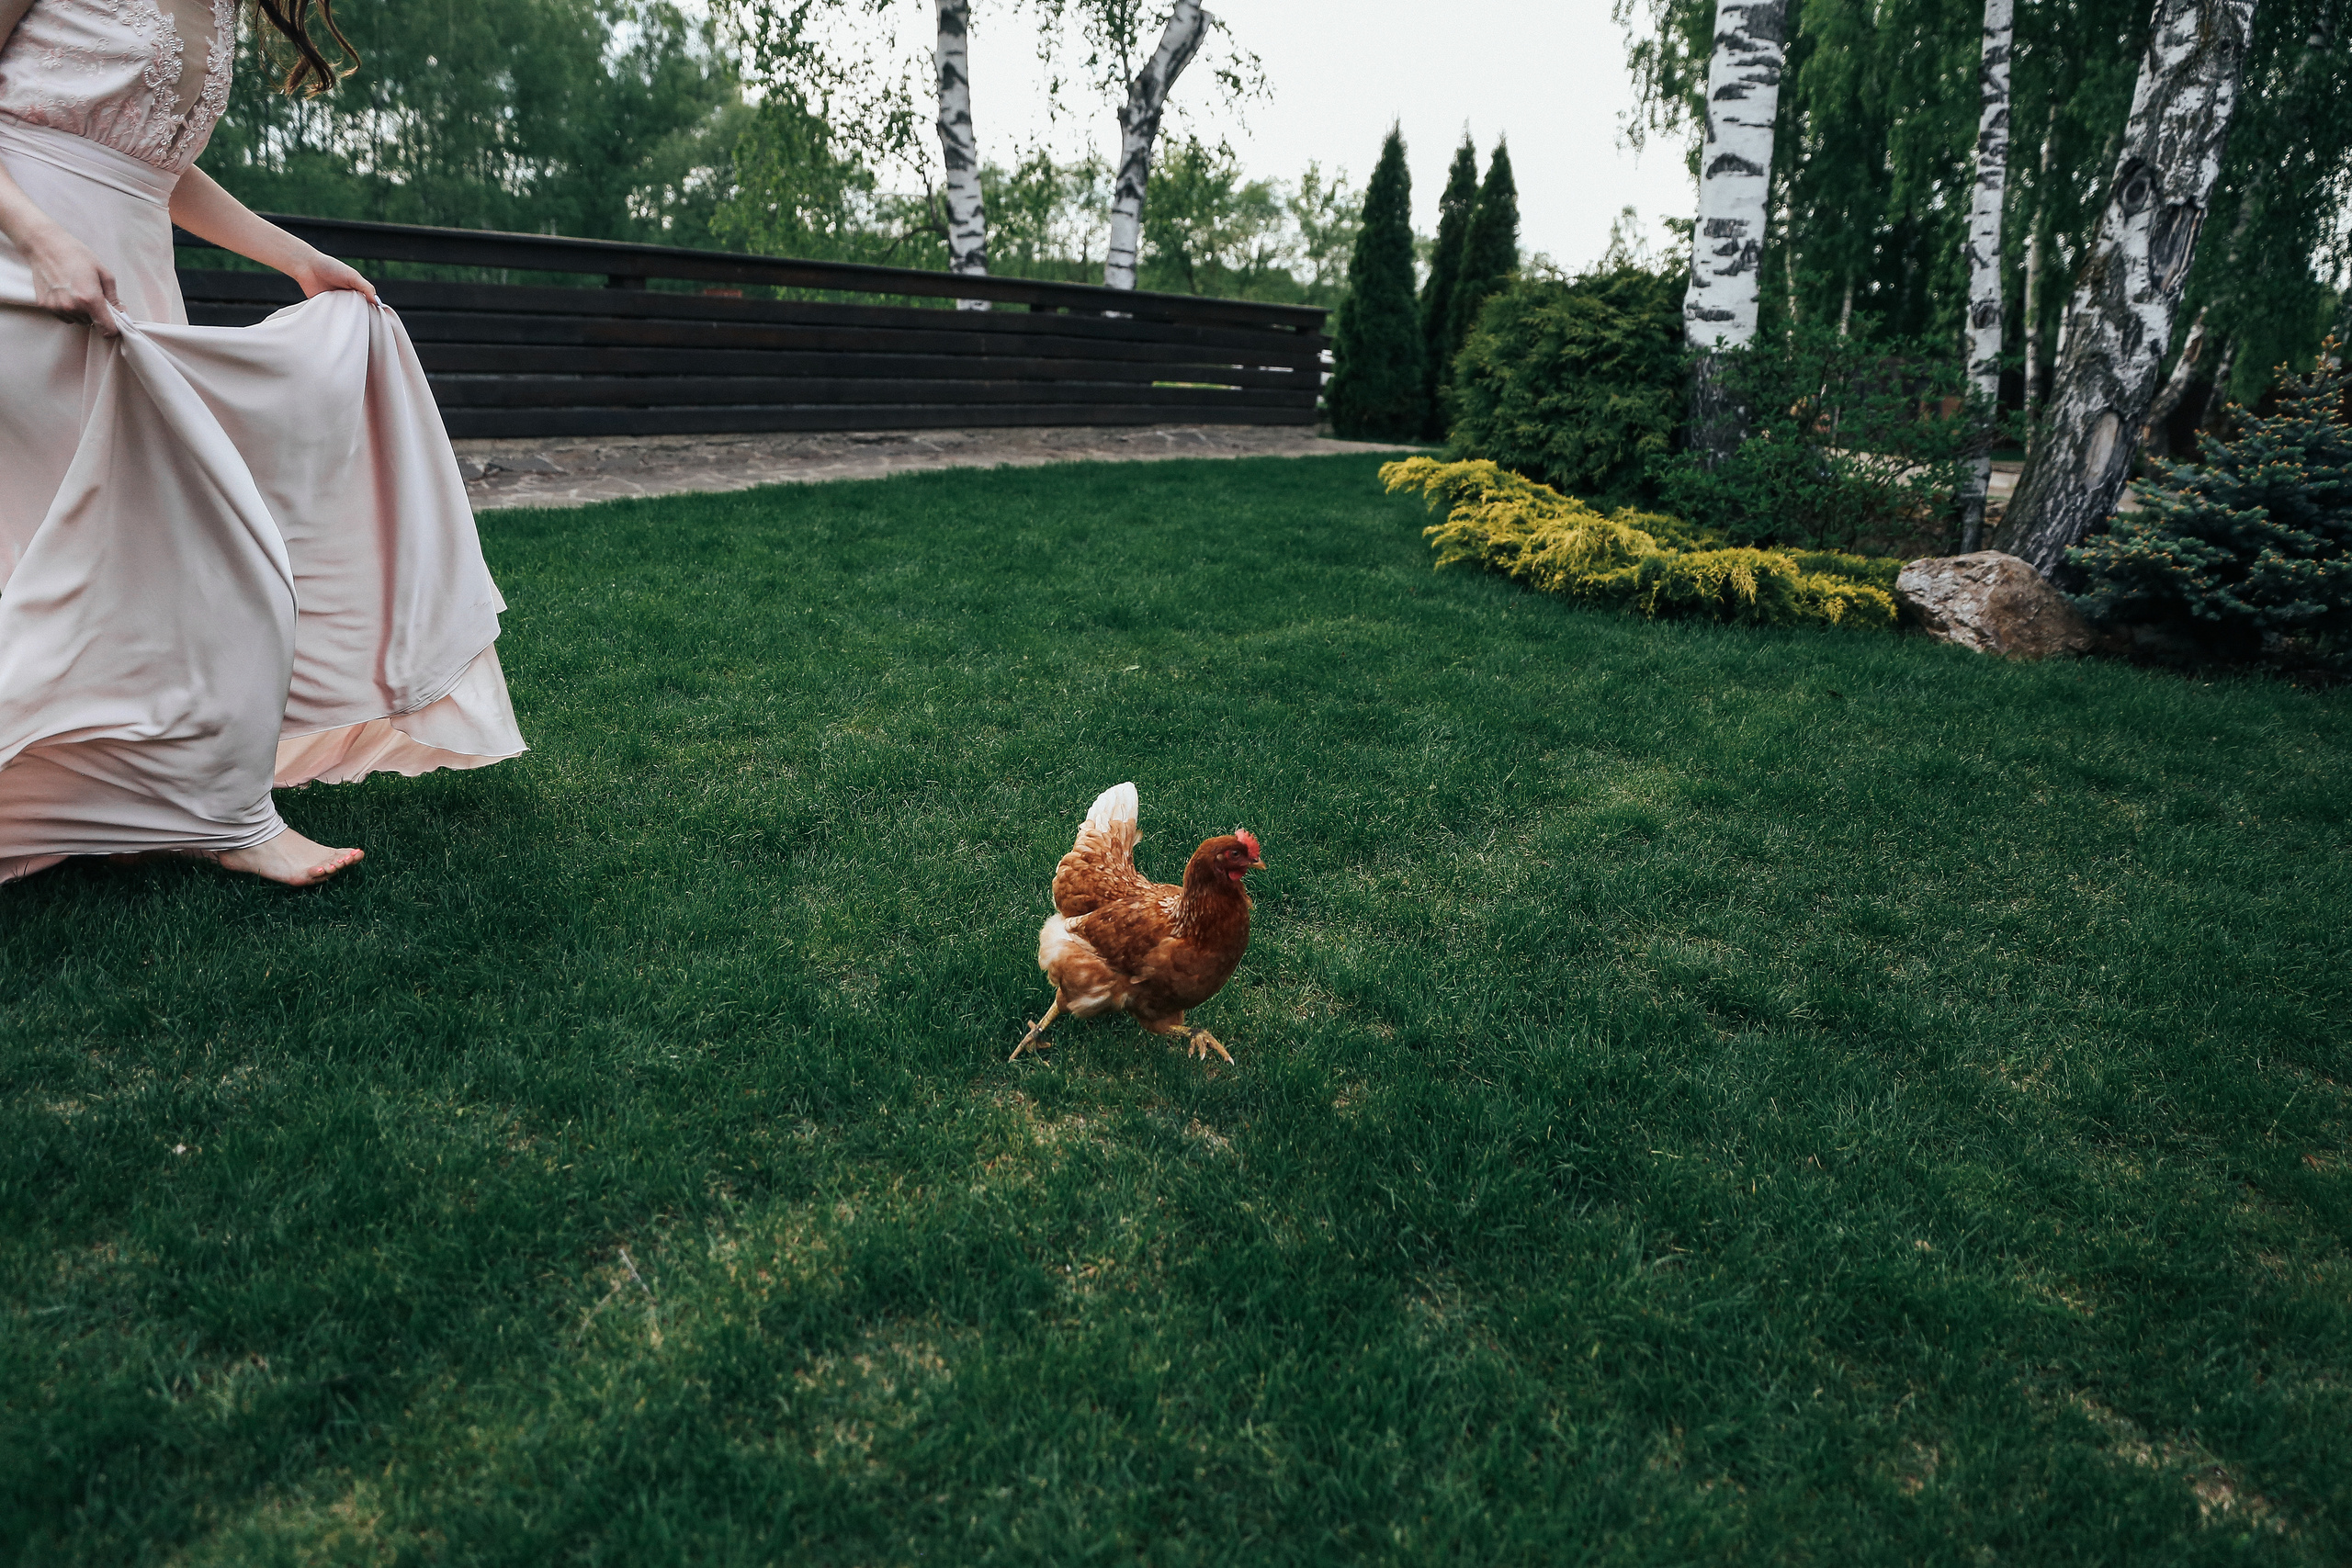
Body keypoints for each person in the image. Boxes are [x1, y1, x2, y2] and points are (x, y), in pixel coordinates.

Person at [0, 0, 525, 888]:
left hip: (130, 275)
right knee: (201, 551)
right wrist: (43, 240)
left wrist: (294, 259)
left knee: (117, 566)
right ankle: (226, 817)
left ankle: (125, 797)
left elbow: (156, 167)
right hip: (28, 266)